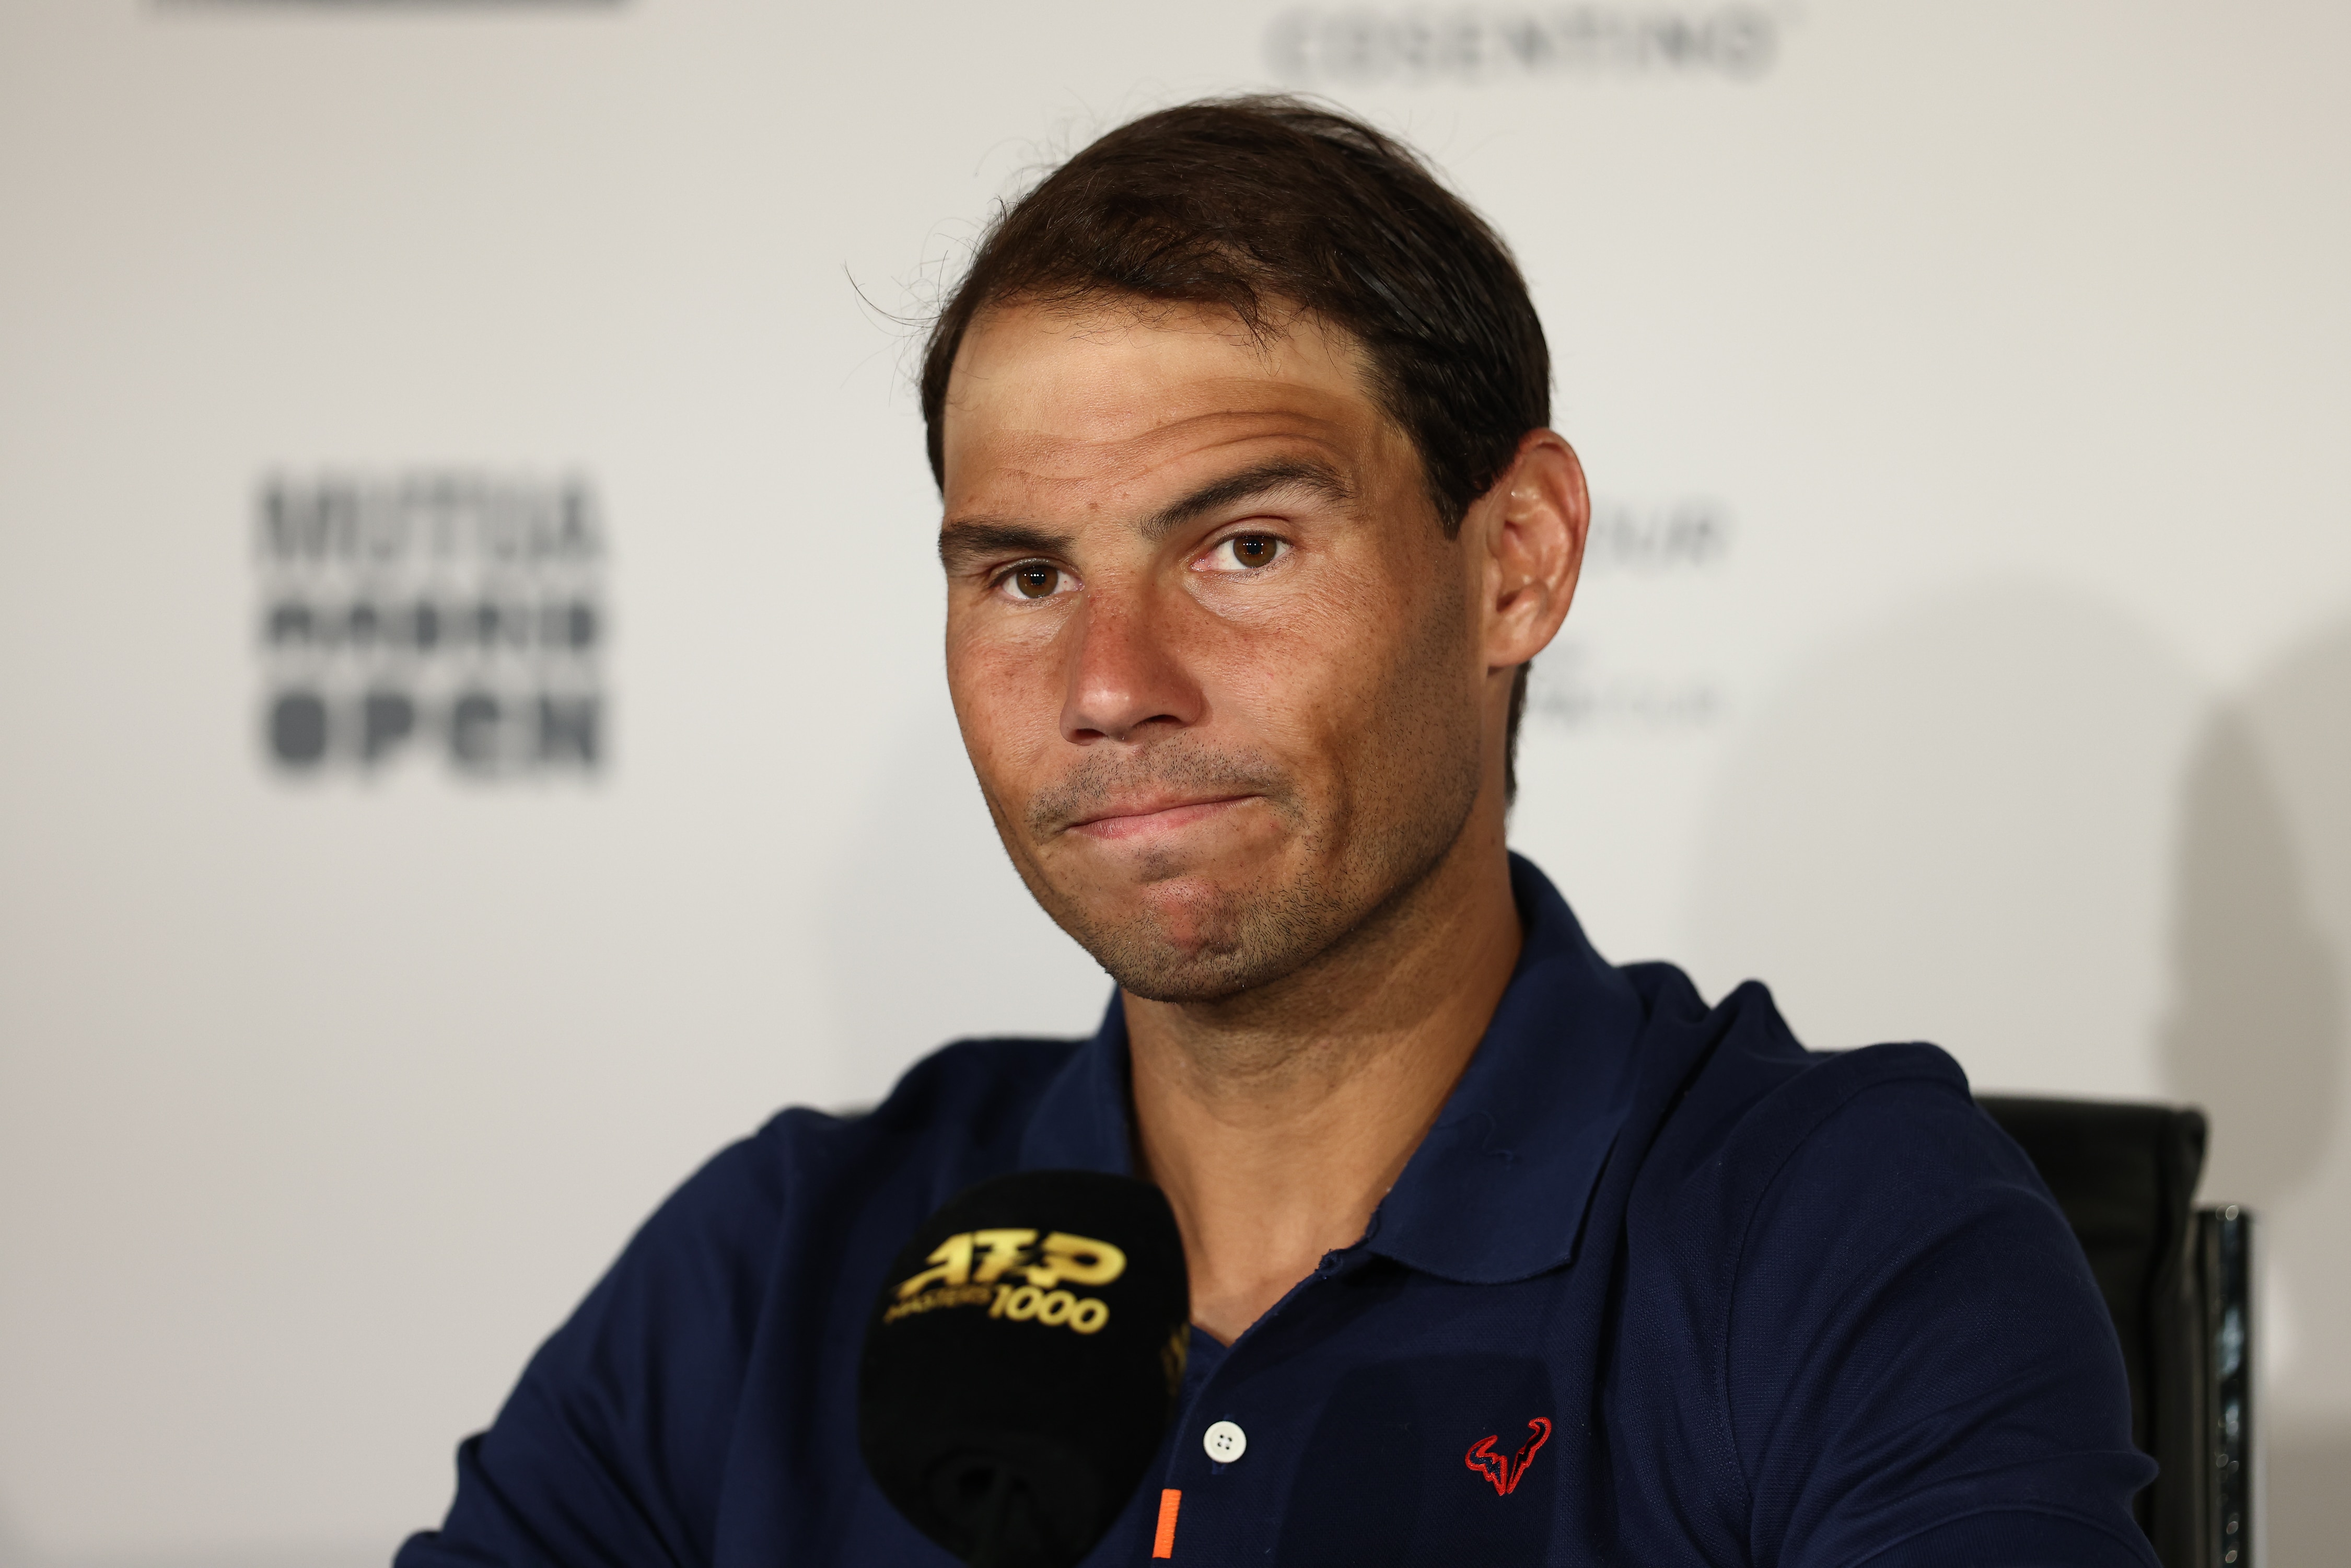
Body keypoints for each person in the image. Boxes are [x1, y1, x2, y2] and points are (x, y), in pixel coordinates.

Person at [398, 97, 2157, 1567]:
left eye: (1242, 547)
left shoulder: (1843, 1240)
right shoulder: (775, 1263)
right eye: (1025, 576)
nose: (1109, 684)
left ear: (1517, 560)